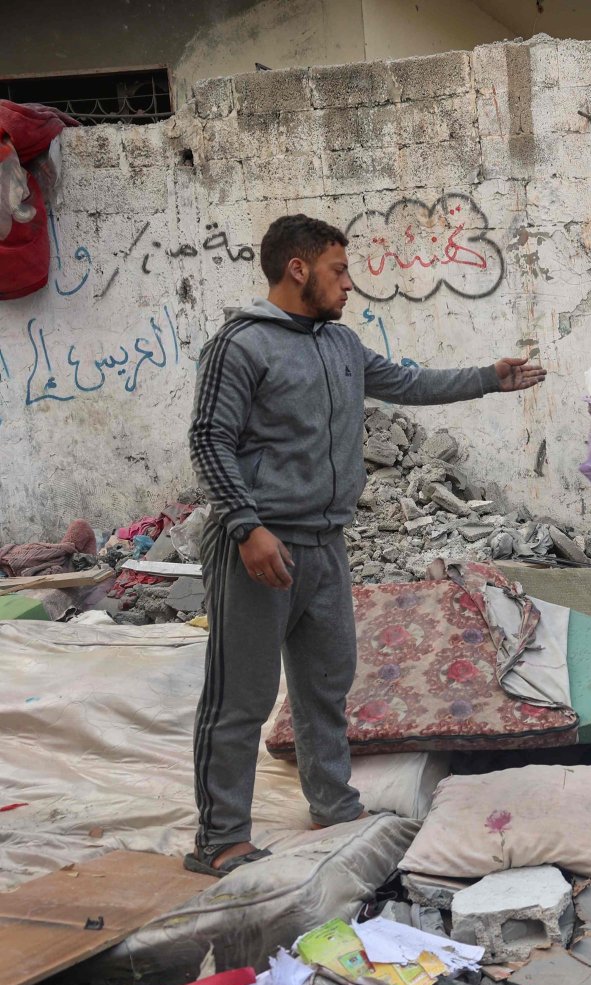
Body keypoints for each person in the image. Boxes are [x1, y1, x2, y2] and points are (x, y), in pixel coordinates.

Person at [185, 214, 546, 877]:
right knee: (240, 696)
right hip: (258, 549)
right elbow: (209, 439)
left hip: (324, 545)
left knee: (326, 686)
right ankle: (221, 838)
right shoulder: (240, 346)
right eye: (339, 271)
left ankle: (333, 804)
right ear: (298, 269)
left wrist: (489, 378)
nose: (350, 285)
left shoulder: (340, 345)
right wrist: (246, 527)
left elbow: (407, 384)